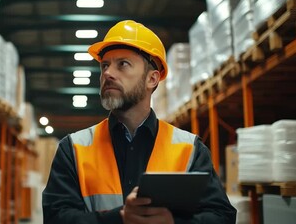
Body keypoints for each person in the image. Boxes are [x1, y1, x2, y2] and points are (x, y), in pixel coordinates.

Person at [42, 20, 236, 224]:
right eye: (105, 65)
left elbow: (222, 217)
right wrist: (119, 219)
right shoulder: (73, 148)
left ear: (152, 79)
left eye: (122, 64)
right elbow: (56, 217)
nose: (107, 73)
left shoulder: (190, 149)